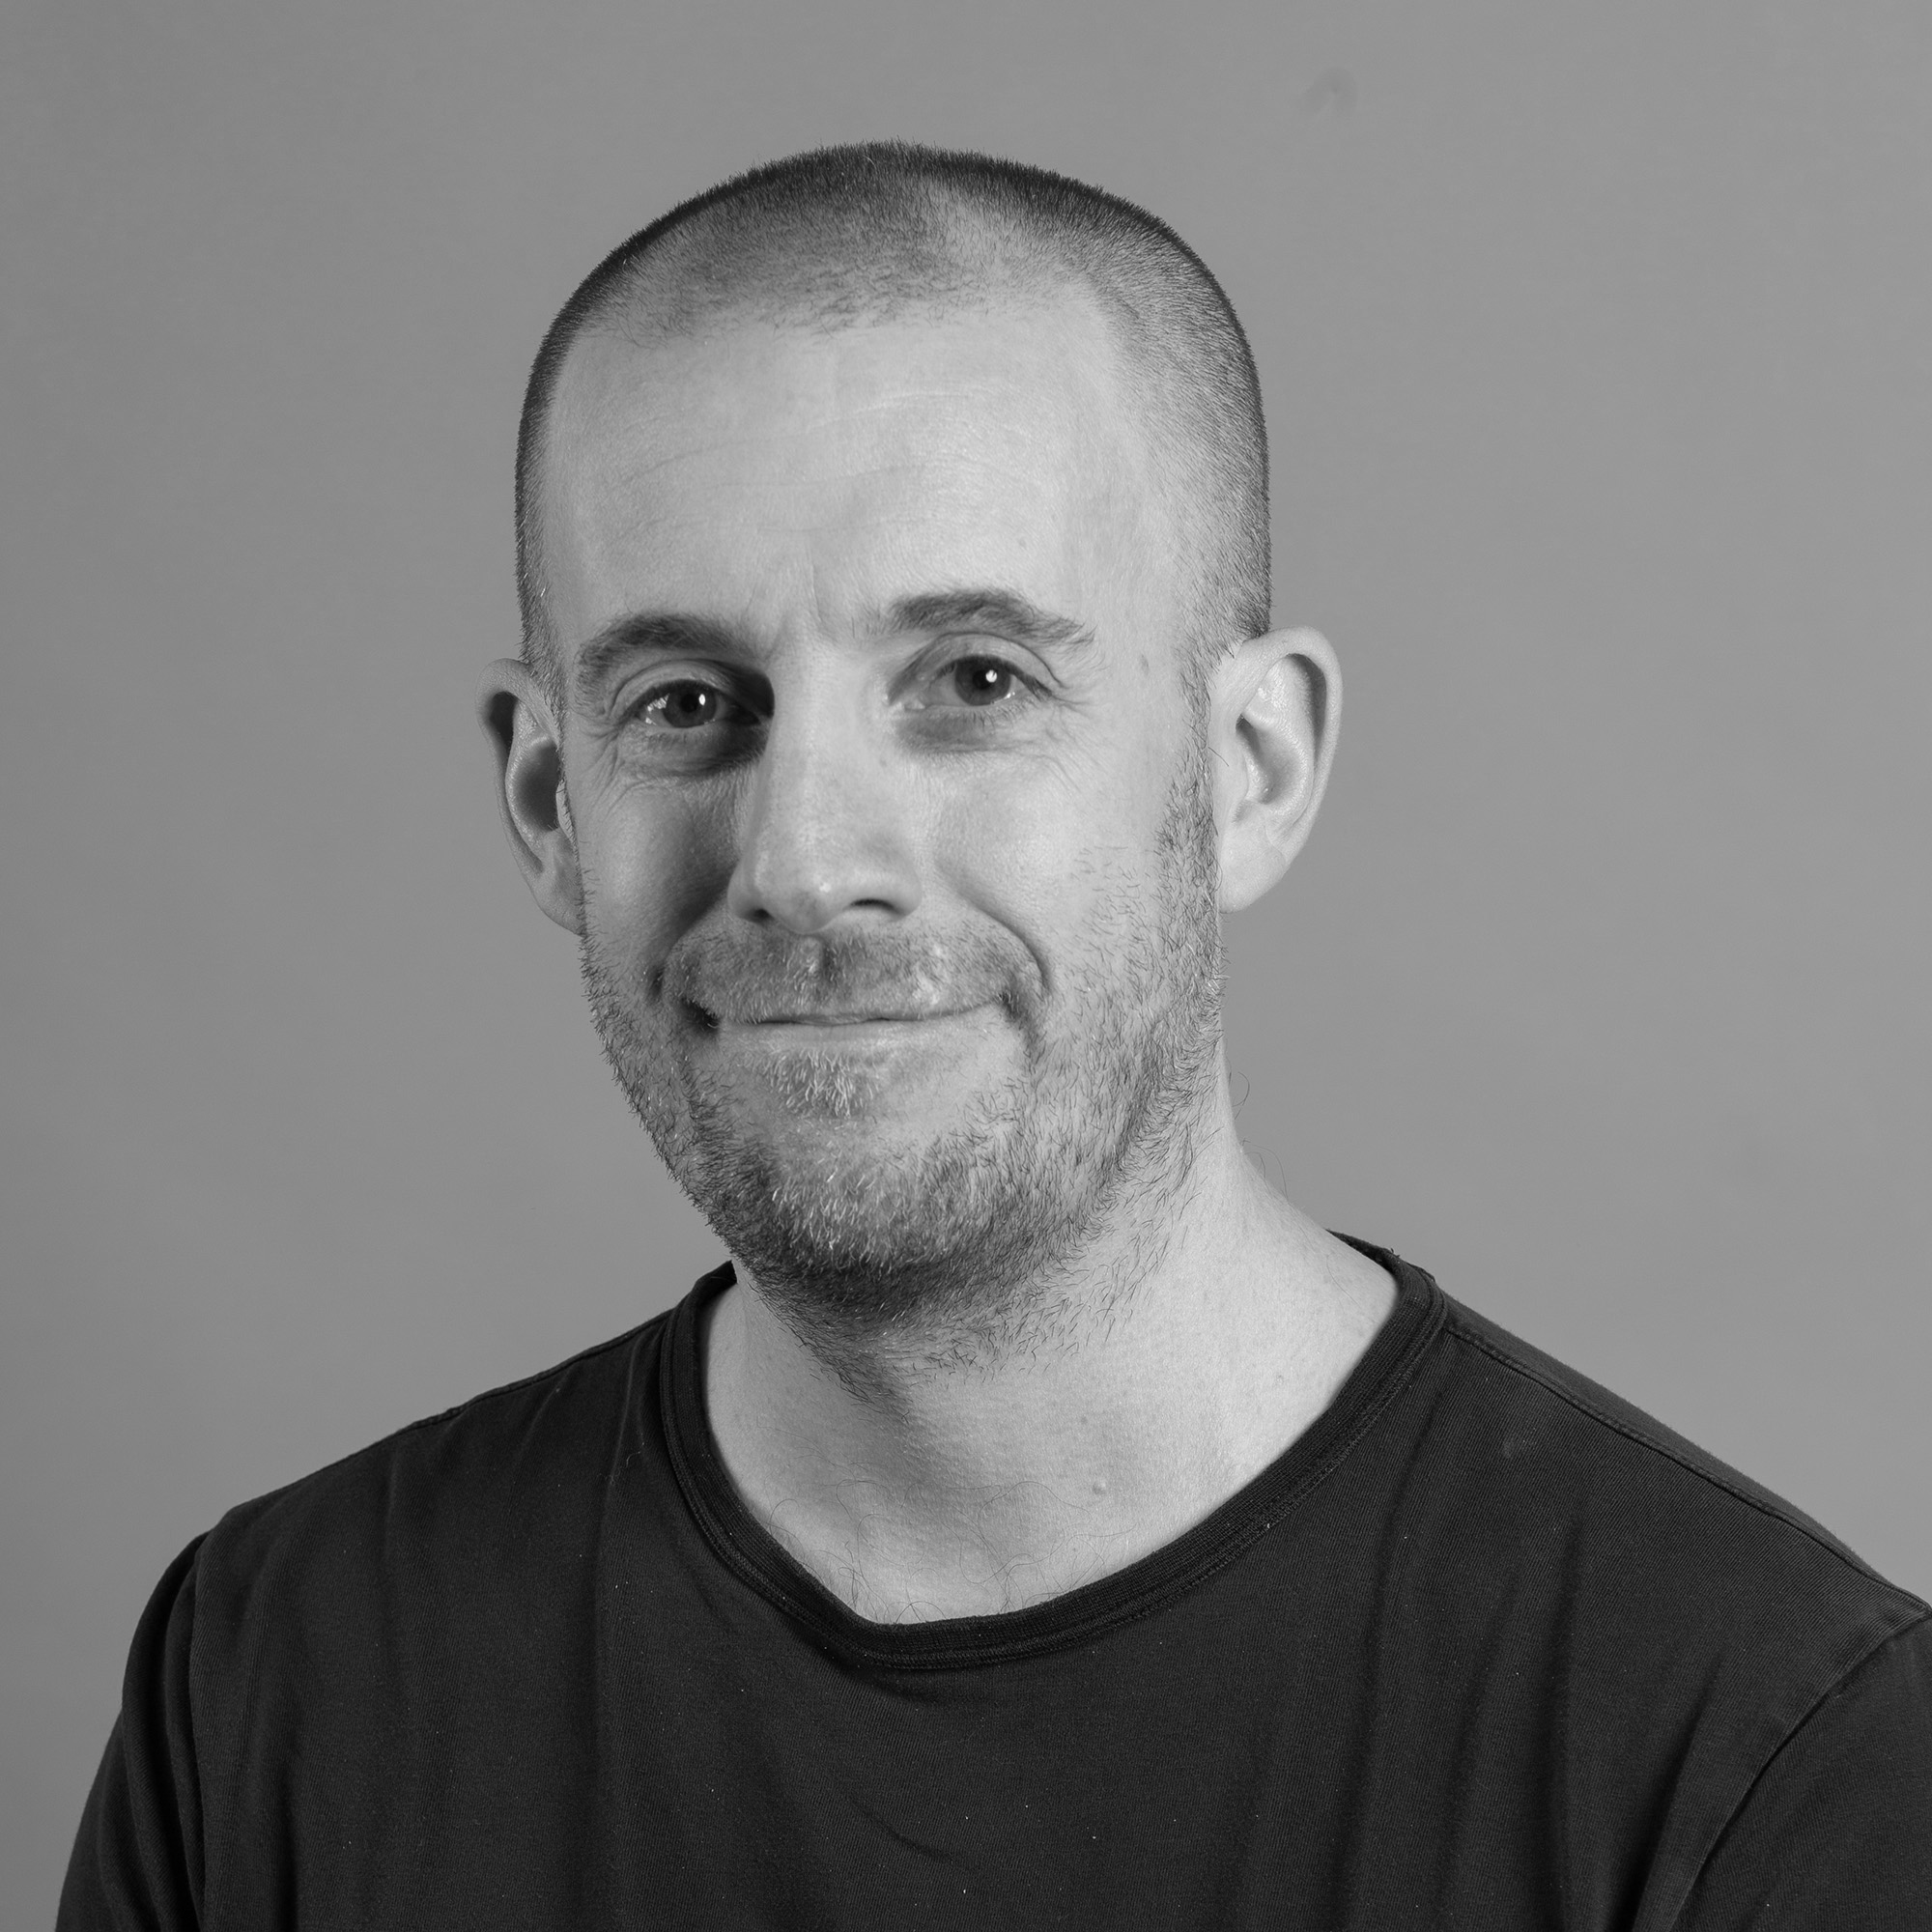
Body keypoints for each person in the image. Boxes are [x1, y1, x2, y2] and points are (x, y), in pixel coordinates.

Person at [61, 141, 1930, 1930]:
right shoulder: (279, 1681)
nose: (805, 861)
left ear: (1252, 769)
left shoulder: (1767, 1763)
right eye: (689, 702)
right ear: (553, 805)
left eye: (974, 681)